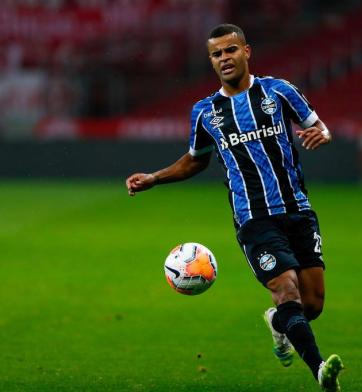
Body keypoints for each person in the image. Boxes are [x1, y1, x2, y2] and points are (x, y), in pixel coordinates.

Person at [126, 23, 344, 391]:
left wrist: (322, 134)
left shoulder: (280, 91)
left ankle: (279, 324)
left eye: (230, 50)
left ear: (246, 52)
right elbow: (196, 160)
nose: (224, 59)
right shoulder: (205, 112)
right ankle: (320, 369)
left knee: (313, 304)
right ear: (211, 61)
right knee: (286, 290)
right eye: (216, 54)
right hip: (253, 219)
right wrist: (155, 177)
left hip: (298, 210)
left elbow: (319, 127)